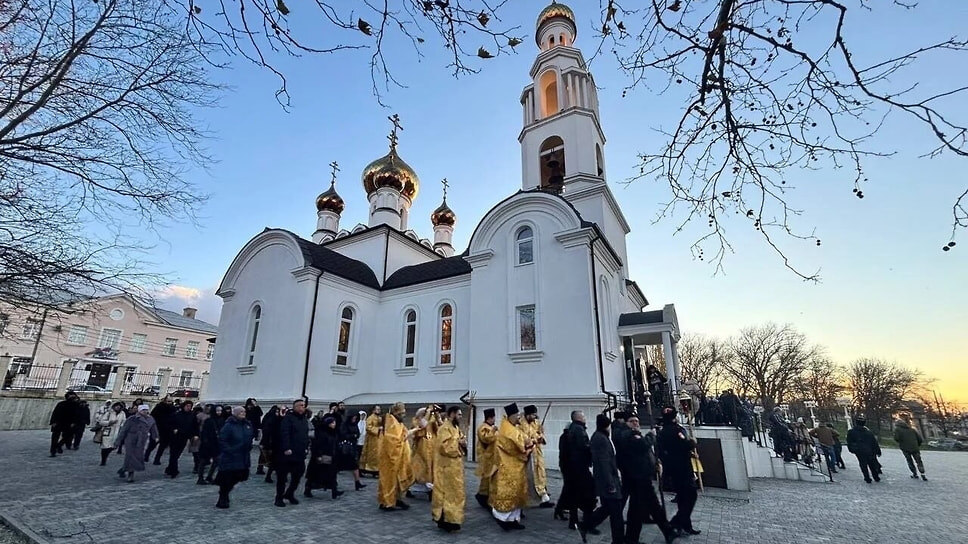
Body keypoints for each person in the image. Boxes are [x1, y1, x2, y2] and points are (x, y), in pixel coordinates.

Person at [625, 414, 678, 544]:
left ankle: (632, 538)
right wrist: (651, 435)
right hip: (639, 477)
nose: (636, 423)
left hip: (642, 476)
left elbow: (646, 452)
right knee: (650, 507)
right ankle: (666, 531)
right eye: (632, 421)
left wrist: (655, 462)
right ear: (627, 423)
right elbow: (643, 445)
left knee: (640, 509)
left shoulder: (636, 434)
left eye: (637, 421)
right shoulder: (629, 436)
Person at [578, 414, 624, 544]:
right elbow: (604, 463)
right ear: (607, 426)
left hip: (606, 479)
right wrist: (610, 484)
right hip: (608, 480)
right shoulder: (601, 439)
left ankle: (586, 525)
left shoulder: (599, 436)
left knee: (607, 508)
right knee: (616, 512)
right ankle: (618, 540)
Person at [656, 407, 701, 536]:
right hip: (683, 468)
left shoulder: (662, 432)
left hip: (672, 469)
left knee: (682, 498)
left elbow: (663, 451)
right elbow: (683, 445)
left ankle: (686, 525)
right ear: (674, 417)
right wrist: (692, 443)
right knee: (691, 495)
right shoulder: (676, 430)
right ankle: (675, 523)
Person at [489, 402, 532, 531]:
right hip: (507, 467)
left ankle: (513, 519)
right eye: (517, 415)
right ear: (511, 416)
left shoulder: (513, 427)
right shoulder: (507, 430)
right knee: (508, 493)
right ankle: (502, 519)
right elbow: (516, 447)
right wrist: (528, 446)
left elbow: (523, 437)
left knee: (517, 493)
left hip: (516, 467)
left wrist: (530, 440)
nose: (519, 418)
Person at [556, 410, 596, 532]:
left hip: (572, 467)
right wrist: (592, 449)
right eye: (583, 416)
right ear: (578, 418)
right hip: (579, 467)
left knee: (573, 493)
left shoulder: (573, 429)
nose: (585, 418)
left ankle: (572, 518)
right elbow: (583, 447)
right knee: (587, 492)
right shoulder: (579, 430)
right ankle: (585, 519)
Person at [431, 406, 467, 532]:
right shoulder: (444, 428)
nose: (460, 417)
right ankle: (445, 519)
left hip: (455, 468)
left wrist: (463, 443)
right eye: (459, 414)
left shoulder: (456, 428)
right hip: (446, 468)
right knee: (446, 494)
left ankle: (453, 518)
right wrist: (458, 442)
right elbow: (444, 447)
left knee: (455, 494)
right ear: (452, 414)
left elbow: (460, 441)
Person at [378, 402, 417, 511]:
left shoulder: (398, 422)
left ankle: (397, 499)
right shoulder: (391, 422)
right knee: (389, 480)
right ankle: (387, 502)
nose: (403, 415)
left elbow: (404, 434)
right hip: (391, 459)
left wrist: (414, 430)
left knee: (398, 479)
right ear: (396, 412)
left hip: (399, 458)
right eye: (402, 413)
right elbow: (393, 441)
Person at [215, 406, 254, 509]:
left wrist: (249, 445)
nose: (243, 413)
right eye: (241, 412)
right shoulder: (229, 425)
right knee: (228, 478)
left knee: (239, 476)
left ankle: (225, 493)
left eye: (244, 411)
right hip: (231, 456)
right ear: (235, 413)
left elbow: (250, 436)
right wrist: (229, 450)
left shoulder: (247, 424)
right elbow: (222, 440)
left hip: (243, 455)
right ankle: (223, 497)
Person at [275, 399, 310, 507]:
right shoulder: (288, 418)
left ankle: (289, 493)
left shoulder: (304, 419)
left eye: (304, 405)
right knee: (282, 477)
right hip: (287, 453)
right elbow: (284, 433)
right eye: (300, 405)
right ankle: (279, 498)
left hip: (300, 452)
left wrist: (306, 447)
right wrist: (286, 448)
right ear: (295, 407)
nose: (303, 407)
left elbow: (305, 435)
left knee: (298, 475)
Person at [521, 404, 554, 508]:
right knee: (531, 476)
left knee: (540, 472)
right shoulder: (521, 424)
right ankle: (534, 497)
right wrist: (535, 439)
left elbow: (540, 434)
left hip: (537, 452)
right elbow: (523, 438)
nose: (535, 417)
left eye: (535, 414)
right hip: (528, 453)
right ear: (527, 415)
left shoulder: (535, 422)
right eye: (533, 415)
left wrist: (541, 436)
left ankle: (543, 494)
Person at [115, 405, 159, 483]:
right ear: (139, 411)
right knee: (130, 456)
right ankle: (130, 474)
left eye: (146, 410)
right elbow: (124, 430)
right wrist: (118, 441)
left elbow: (153, 429)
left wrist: (155, 437)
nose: (145, 411)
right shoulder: (132, 418)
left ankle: (123, 469)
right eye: (143, 410)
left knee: (137, 456)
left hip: (141, 440)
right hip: (131, 439)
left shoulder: (151, 419)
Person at [305, 415, 343, 499]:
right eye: (332, 423)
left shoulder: (334, 433)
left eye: (334, 422)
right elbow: (317, 445)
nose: (334, 424)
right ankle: (308, 488)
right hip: (323, 456)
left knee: (332, 474)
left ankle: (334, 491)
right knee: (316, 475)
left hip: (332, 456)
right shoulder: (322, 433)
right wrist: (318, 455)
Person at [409, 405, 439, 498]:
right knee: (420, 470)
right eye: (424, 413)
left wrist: (437, 417)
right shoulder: (415, 420)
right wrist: (428, 413)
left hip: (432, 448)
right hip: (421, 449)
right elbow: (422, 426)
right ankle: (411, 488)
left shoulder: (431, 420)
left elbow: (438, 430)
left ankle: (430, 489)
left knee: (431, 468)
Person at [166, 400, 198, 478]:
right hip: (175, 437)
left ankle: (170, 468)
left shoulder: (192, 415)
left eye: (190, 406)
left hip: (184, 437)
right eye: (187, 406)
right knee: (173, 454)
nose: (188, 408)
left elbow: (195, 426)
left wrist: (195, 435)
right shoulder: (177, 414)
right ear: (183, 406)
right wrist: (174, 429)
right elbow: (169, 424)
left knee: (177, 455)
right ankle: (174, 471)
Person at [474, 408, 498, 509]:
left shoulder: (490, 427)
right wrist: (493, 431)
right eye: (494, 418)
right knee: (486, 477)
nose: (495, 420)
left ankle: (486, 496)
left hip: (492, 456)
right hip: (486, 456)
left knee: (489, 477)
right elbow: (486, 439)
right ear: (490, 418)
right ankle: (482, 496)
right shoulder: (483, 428)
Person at [847, 417, 882, 483]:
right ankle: (876, 477)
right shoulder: (868, 432)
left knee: (863, 464)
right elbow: (874, 443)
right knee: (872, 464)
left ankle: (867, 478)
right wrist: (878, 451)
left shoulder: (851, 432)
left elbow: (849, 442)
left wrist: (852, 449)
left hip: (859, 451)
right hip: (869, 450)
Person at [337, 412, 366, 491]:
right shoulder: (344, 425)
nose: (354, 419)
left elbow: (358, 433)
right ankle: (333, 483)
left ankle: (357, 482)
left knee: (355, 465)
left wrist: (355, 435)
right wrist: (352, 436)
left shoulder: (355, 425)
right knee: (338, 466)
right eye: (353, 418)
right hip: (345, 448)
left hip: (352, 447)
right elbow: (343, 434)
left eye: (355, 418)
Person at [197, 405, 224, 485]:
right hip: (208, 444)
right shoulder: (208, 421)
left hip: (217, 443)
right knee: (203, 461)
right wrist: (205, 442)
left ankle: (209, 476)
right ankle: (200, 478)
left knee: (216, 461)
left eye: (220, 411)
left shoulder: (221, 420)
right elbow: (204, 432)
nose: (219, 412)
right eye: (217, 411)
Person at [147, 395, 176, 465]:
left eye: (170, 401)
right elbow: (152, 416)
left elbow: (174, 418)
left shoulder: (173, 409)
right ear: (165, 401)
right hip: (158, 428)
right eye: (168, 401)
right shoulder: (159, 407)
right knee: (153, 444)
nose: (169, 403)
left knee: (163, 446)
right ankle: (146, 455)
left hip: (168, 430)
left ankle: (157, 459)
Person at [49, 391, 79, 456]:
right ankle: (53, 451)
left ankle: (58, 445)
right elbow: (55, 413)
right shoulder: (61, 404)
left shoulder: (76, 405)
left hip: (68, 423)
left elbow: (77, 415)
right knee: (55, 437)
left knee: (68, 436)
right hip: (58, 422)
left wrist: (74, 422)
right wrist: (53, 422)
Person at [96, 402, 127, 466]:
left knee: (112, 447)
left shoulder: (122, 413)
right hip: (107, 431)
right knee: (104, 447)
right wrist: (109, 422)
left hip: (116, 432)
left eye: (119, 406)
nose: (118, 407)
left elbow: (124, 422)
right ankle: (103, 460)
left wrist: (122, 427)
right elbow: (101, 422)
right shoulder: (109, 412)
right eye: (117, 406)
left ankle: (106, 455)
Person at [259, 405, 281, 481]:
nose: (277, 413)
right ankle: (267, 474)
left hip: (274, 443)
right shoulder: (271, 421)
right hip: (270, 443)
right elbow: (267, 433)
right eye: (276, 412)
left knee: (272, 460)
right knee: (271, 460)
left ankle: (265, 472)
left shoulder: (276, 420)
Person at [360, 405, 383, 477]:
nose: (379, 411)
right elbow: (368, 427)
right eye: (377, 409)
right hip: (371, 439)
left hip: (378, 439)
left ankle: (376, 469)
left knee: (378, 454)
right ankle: (370, 469)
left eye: (379, 409)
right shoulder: (370, 418)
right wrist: (378, 429)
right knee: (371, 454)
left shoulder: (379, 418)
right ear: (373, 410)